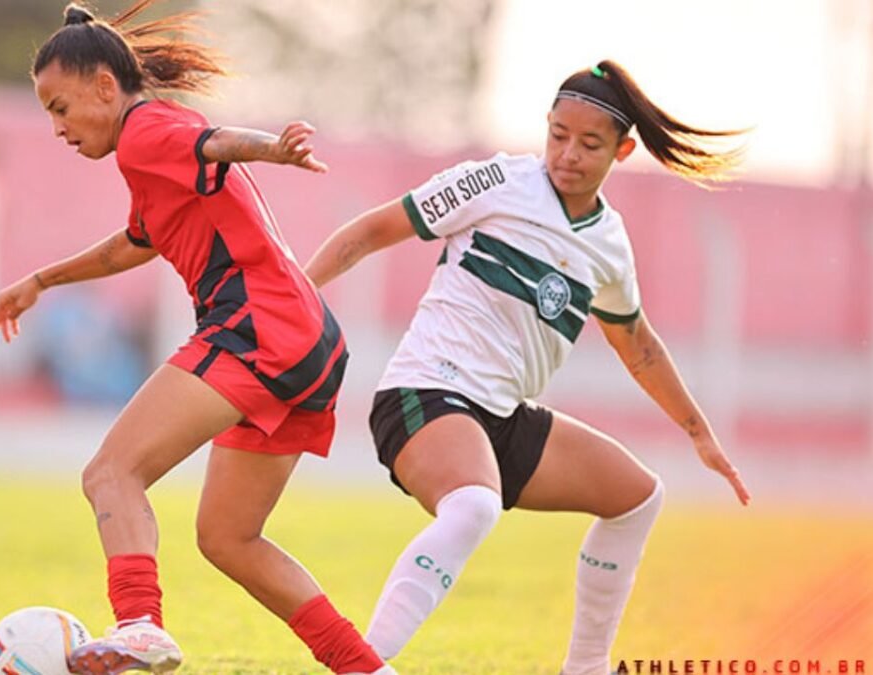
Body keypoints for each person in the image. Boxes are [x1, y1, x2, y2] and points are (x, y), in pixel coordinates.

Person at [0, 2, 393, 674]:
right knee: (229, 537)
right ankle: (366, 668)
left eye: (60, 107)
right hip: (309, 340)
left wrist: (272, 149)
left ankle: (139, 625)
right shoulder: (148, 153)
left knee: (111, 473)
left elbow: (214, 143)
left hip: (256, 327)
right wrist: (42, 280)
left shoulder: (146, 131)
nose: (57, 127)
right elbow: (134, 242)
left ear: (104, 87)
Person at [303, 60, 752, 674]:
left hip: (500, 417)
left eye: (589, 144)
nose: (568, 154)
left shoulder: (609, 243)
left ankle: (586, 667)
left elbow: (638, 345)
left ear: (621, 151)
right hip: (425, 392)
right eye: (558, 135)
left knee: (638, 498)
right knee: (473, 506)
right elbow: (372, 230)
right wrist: (295, 293)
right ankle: (365, 664)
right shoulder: (495, 180)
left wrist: (699, 433)